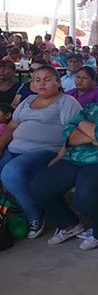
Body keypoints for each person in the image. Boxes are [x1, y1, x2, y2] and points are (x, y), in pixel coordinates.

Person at [29, 70, 98, 250]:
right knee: (39, 186)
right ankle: (69, 224)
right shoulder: (92, 108)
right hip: (78, 158)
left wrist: (81, 126)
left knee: (84, 197)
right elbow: (67, 133)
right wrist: (92, 138)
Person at [0, 66, 81, 239]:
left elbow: (74, 132)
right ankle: (11, 212)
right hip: (14, 149)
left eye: (47, 79)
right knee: (8, 169)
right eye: (37, 80)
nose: (42, 83)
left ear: (58, 82)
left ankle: (34, 215)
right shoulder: (27, 101)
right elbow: (10, 129)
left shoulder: (66, 101)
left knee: (11, 172)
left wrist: (61, 155)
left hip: (44, 151)